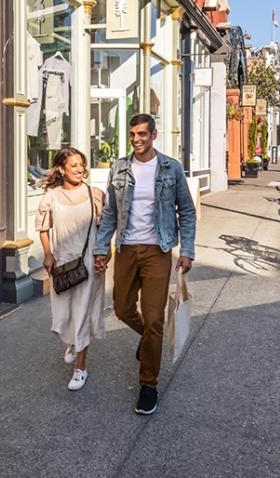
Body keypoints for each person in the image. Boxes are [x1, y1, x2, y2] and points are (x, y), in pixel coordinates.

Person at [93, 114, 196, 415]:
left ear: (153, 135)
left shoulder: (170, 167)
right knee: (122, 308)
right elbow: (111, 212)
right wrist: (103, 248)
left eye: (142, 134)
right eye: (132, 134)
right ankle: (148, 341)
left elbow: (186, 212)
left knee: (154, 318)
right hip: (125, 247)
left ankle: (148, 384)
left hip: (157, 249)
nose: (137, 139)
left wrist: (186, 251)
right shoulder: (120, 167)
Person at [36, 148, 105, 391]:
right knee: (63, 313)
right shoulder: (52, 196)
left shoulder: (94, 194)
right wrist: (47, 254)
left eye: (82, 164)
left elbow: (104, 228)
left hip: (88, 261)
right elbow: (44, 228)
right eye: (73, 165)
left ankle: (80, 368)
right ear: (62, 169)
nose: (79, 169)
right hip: (62, 262)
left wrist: (103, 254)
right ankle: (72, 341)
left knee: (83, 311)